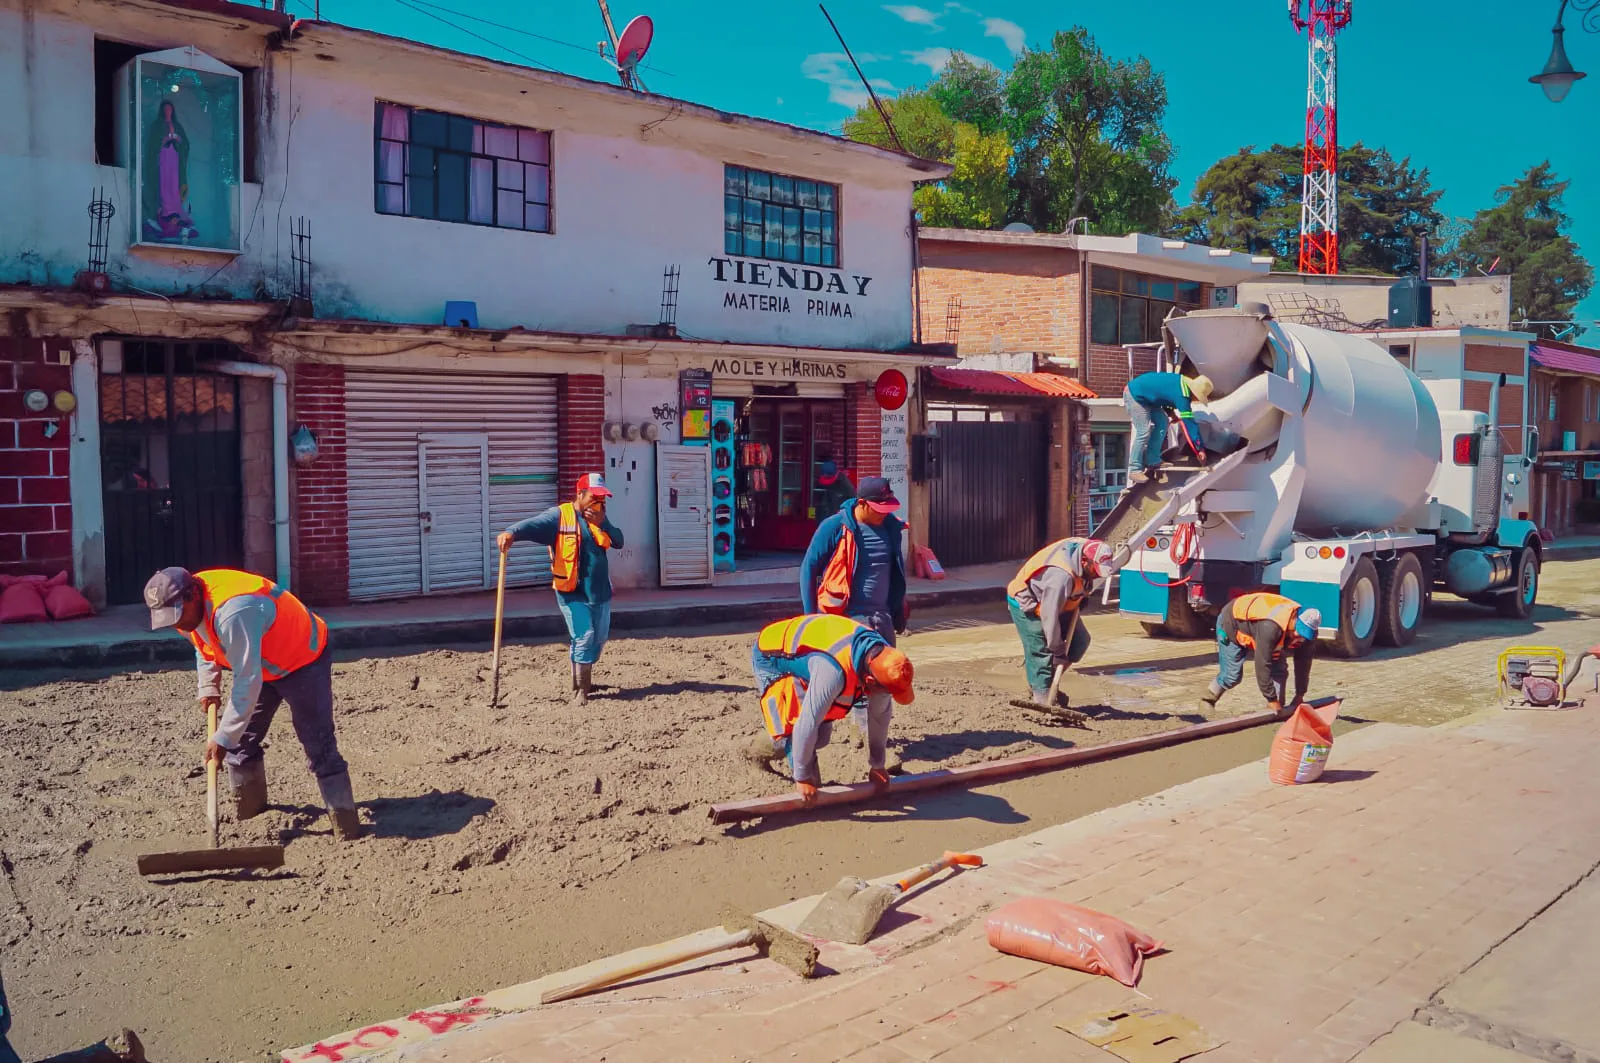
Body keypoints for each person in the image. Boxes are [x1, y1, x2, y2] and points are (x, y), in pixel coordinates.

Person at [143, 567, 360, 840]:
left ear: (192, 595)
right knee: (240, 741)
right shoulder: (187, 614)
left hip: (303, 657)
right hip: (262, 661)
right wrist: (208, 686)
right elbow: (203, 643)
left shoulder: (234, 612)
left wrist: (222, 737)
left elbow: (247, 680)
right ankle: (251, 815)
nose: (176, 625)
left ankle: (346, 824)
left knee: (318, 743)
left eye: (176, 615)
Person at [746, 614, 916, 806]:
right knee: (794, 733)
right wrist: (802, 778)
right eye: (886, 692)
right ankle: (755, 751)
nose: (886, 696)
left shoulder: (884, 660)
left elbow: (879, 717)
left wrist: (877, 765)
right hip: (772, 657)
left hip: (816, 655)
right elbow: (807, 722)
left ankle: (795, 756)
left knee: (821, 737)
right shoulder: (832, 673)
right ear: (869, 681)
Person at [498, 473, 624, 702]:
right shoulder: (560, 516)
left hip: (600, 592)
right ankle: (580, 689)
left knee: (599, 639)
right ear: (580, 495)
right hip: (571, 591)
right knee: (584, 635)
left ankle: (584, 677)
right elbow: (533, 524)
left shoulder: (599, 517)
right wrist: (511, 532)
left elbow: (619, 540)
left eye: (602, 497)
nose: (598, 502)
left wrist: (602, 522)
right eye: (594, 497)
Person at [799, 476, 908, 646]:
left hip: (883, 618)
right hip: (845, 620)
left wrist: (899, 608)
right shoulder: (835, 526)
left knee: (888, 670)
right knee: (849, 671)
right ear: (862, 503)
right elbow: (809, 568)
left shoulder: (891, 527)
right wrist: (810, 618)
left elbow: (894, 571)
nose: (884, 513)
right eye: (879, 509)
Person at [1007, 538, 1113, 708]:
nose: (1098, 575)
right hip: (1028, 602)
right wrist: (1056, 648)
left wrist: (1082, 596)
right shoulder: (1060, 577)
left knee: (1080, 642)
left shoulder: (1087, 551)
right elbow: (1049, 616)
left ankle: (1044, 682)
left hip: (1060, 601)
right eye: (1096, 571)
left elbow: (1083, 580)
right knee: (1042, 652)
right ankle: (1042, 699)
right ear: (1085, 561)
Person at [1201, 592, 1321, 713]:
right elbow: (1262, 663)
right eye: (1298, 629)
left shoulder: (1308, 635)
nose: (1298, 635)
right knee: (1232, 676)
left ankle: (1276, 709)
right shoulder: (1271, 627)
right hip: (1231, 623)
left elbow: (1303, 663)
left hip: (1260, 629)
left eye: (1304, 633)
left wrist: (1300, 694)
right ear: (1294, 617)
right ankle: (1207, 700)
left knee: (1279, 671)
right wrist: (1271, 699)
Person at [1123, 370, 1214, 483]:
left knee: (1163, 423)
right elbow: (1189, 423)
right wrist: (1199, 449)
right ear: (1195, 393)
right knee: (1144, 431)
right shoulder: (1183, 395)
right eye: (1198, 398)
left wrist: (1171, 414)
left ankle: (1153, 460)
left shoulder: (1182, 382)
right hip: (1135, 395)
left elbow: (1163, 395)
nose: (1195, 400)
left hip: (1148, 397)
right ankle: (1134, 470)